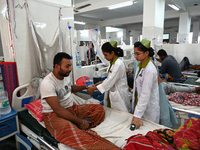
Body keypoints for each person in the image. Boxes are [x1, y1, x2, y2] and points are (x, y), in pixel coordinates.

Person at [40, 52, 120, 149]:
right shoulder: (47, 83)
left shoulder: (65, 76)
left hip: (70, 109)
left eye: (70, 66)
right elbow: (58, 110)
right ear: (57, 66)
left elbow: (70, 88)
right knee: (72, 131)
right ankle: (79, 129)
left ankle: (77, 127)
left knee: (99, 109)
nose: (70, 69)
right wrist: (81, 122)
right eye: (67, 66)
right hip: (54, 115)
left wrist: (86, 87)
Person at [87, 41, 131, 113]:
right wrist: (100, 83)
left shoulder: (118, 64)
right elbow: (110, 78)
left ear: (112, 53)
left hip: (119, 95)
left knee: (122, 116)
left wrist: (93, 88)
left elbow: (110, 81)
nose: (104, 57)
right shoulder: (112, 63)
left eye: (105, 55)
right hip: (113, 94)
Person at [131, 39, 160, 129]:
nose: (135, 56)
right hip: (142, 106)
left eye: (138, 54)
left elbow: (145, 94)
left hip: (149, 110)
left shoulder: (149, 70)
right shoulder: (141, 66)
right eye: (134, 53)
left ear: (146, 53)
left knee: (149, 133)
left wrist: (137, 115)